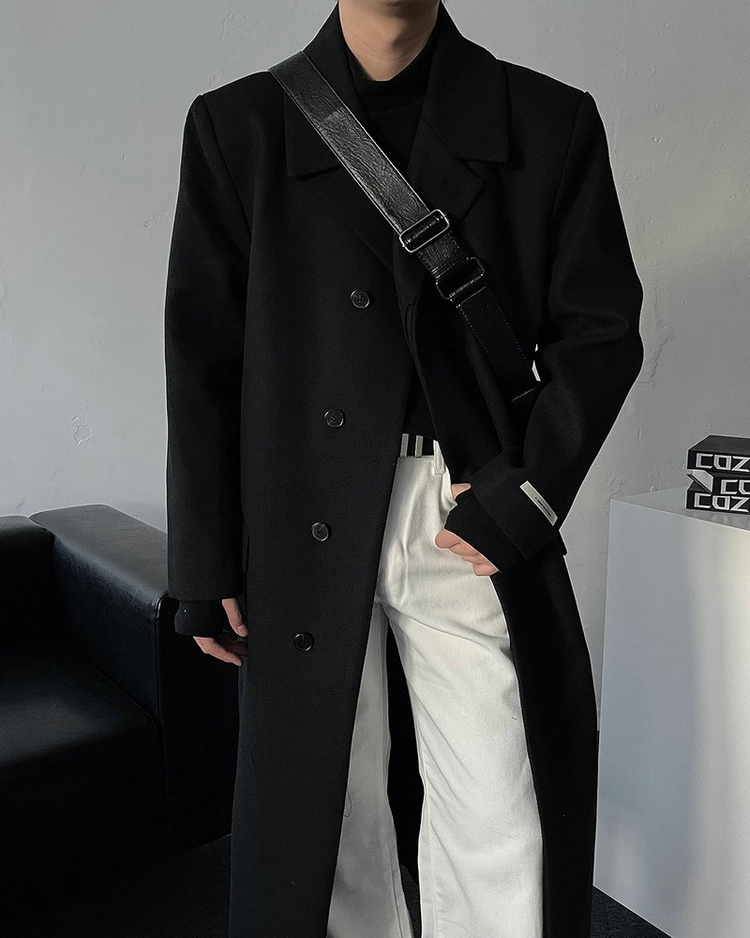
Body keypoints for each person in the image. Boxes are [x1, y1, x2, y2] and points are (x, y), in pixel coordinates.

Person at [163, 1, 645, 936]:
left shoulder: (548, 120)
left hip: (464, 508)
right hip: (294, 512)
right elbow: (203, 355)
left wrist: (529, 490)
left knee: (503, 804)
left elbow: (600, 332)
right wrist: (204, 559)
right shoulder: (239, 125)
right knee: (322, 810)